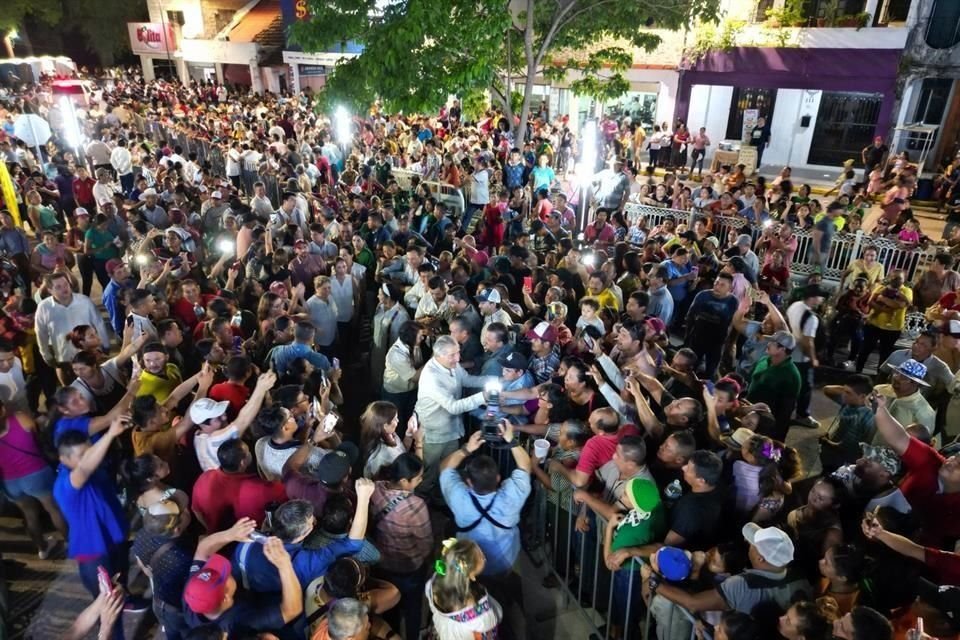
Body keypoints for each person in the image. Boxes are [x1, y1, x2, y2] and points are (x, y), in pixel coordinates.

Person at [182, 520, 304, 636]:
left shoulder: (195, 590)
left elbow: (202, 551)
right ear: (226, 598)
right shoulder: (238, 625)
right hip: (264, 610)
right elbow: (291, 610)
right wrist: (284, 565)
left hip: (247, 595)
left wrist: (230, 534)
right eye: (225, 576)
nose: (227, 571)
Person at [414, 335, 491, 497]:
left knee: (449, 470)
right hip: (436, 434)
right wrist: (482, 397)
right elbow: (453, 407)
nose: (458, 358)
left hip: (452, 430)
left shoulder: (453, 365)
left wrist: (496, 380)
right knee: (430, 473)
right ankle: (422, 503)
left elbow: (467, 380)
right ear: (439, 355)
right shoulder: (431, 377)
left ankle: (442, 498)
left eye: (458, 352)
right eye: (452, 355)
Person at [426, 538, 503, 640]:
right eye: (482, 557)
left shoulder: (433, 582)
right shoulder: (480, 613)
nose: (484, 557)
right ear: (471, 576)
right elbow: (497, 616)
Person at [746, 331, 802, 441]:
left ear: (782, 349)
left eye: (772, 343)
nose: (768, 344)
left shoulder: (792, 375)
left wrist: (775, 440)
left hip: (765, 427)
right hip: (749, 415)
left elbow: (785, 414)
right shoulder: (763, 360)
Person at [786, 284, 828, 428]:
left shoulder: (795, 306)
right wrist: (813, 358)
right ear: (813, 298)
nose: (821, 300)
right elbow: (808, 341)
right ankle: (802, 415)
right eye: (820, 297)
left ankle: (783, 411)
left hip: (789, 351)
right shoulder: (811, 318)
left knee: (789, 385)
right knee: (805, 387)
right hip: (801, 358)